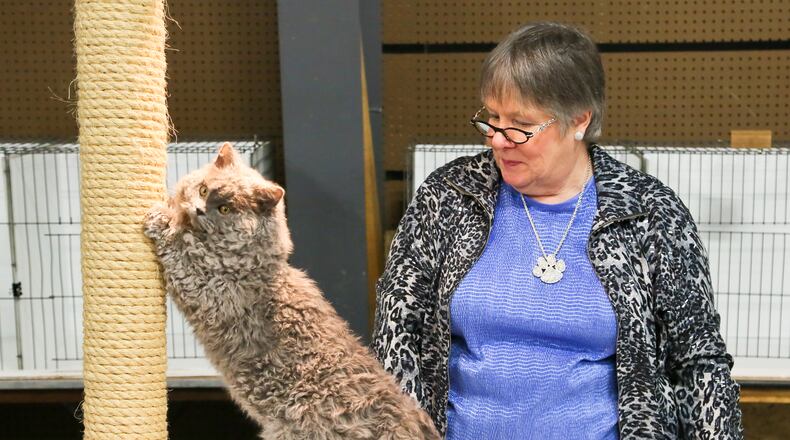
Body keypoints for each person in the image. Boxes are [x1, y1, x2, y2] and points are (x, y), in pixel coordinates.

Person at [371, 21, 743, 439]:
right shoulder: (449, 196)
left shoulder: (648, 211)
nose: (497, 139)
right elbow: (397, 335)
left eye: (520, 125)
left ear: (579, 120)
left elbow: (700, 364)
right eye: (492, 118)